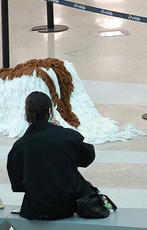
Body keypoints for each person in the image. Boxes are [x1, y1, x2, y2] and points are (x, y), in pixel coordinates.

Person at [6, 91, 98, 219]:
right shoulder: (66, 137)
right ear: (49, 111)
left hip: (35, 210)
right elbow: (87, 157)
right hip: (68, 206)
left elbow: (17, 185)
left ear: (27, 113)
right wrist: (59, 132)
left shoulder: (19, 146)